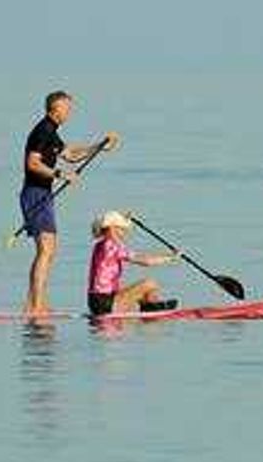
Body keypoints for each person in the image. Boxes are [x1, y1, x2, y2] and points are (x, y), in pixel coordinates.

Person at [20, 90, 117, 317]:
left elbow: (71, 154)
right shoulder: (42, 131)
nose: (70, 112)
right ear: (55, 108)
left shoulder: (52, 133)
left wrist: (99, 146)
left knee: (49, 251)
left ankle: (36, 303)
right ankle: (35, 306)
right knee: (45, 250)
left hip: (43, 194)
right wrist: (59, 175)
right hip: (34, 194)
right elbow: (32, 163)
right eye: (67, 108)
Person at [87, 212, 181, 319]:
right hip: (104, 304)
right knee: (150, 284)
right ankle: (152, 310)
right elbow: (146, 262)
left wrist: (124, 219)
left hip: (96, 302)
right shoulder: (112, 246)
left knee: (145, 292)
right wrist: (171, 257)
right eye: (122, 229)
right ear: (112, 229)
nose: (125, 233)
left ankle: (150, 310)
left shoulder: (100, 245)